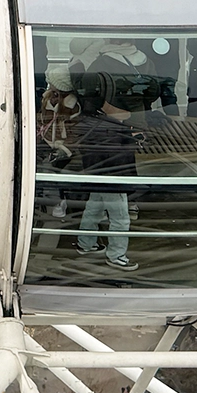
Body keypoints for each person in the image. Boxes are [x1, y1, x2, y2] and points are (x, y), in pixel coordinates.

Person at [67, 71, 142, 272]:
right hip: (113, 179)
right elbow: (118, 157)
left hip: (96, 175)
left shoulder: (88, 120)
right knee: (120, 218)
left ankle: (87, 244)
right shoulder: (110, 128)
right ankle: (116, 255)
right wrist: (130, 138)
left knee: (94, 209)